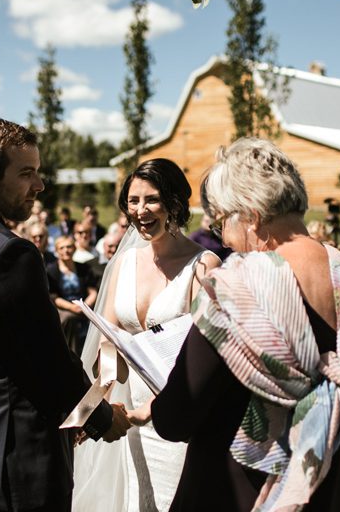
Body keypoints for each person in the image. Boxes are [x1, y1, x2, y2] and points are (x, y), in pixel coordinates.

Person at [126, 139, 340, 511]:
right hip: (323, 486)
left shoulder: (238, 289)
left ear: (252, 216)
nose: (223, 237)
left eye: (223, 220)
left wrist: (157, 407)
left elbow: (176, 418)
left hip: (239, 490)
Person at [0, 118, 129, 512]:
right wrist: (99, 417)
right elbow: (49, 362)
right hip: (19, 461)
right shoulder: (11, 254)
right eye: (26, 173)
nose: (40, 185)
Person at [73, 158, 222, 512]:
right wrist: (89, 411)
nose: (140, 210)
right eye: (133, 201)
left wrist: (146, 411)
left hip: (181, 418)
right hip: (133, 421)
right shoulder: (125, 263)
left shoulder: (204, 266)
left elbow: (207, 360)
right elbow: (110, 346)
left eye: (151, 199)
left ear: (174, 202)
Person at [47, 235, 98, 355]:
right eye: (62, 248)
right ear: (56, 251)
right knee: (70, 318)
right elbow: (54, 297)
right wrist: (72, 308)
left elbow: (93, 291)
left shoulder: (83, 268)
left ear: (74, 248)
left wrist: (84, 306)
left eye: (69, 247)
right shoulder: (51, 271)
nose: (66, 250)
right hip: (63, 308)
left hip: (84, 306)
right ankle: (72, 354)